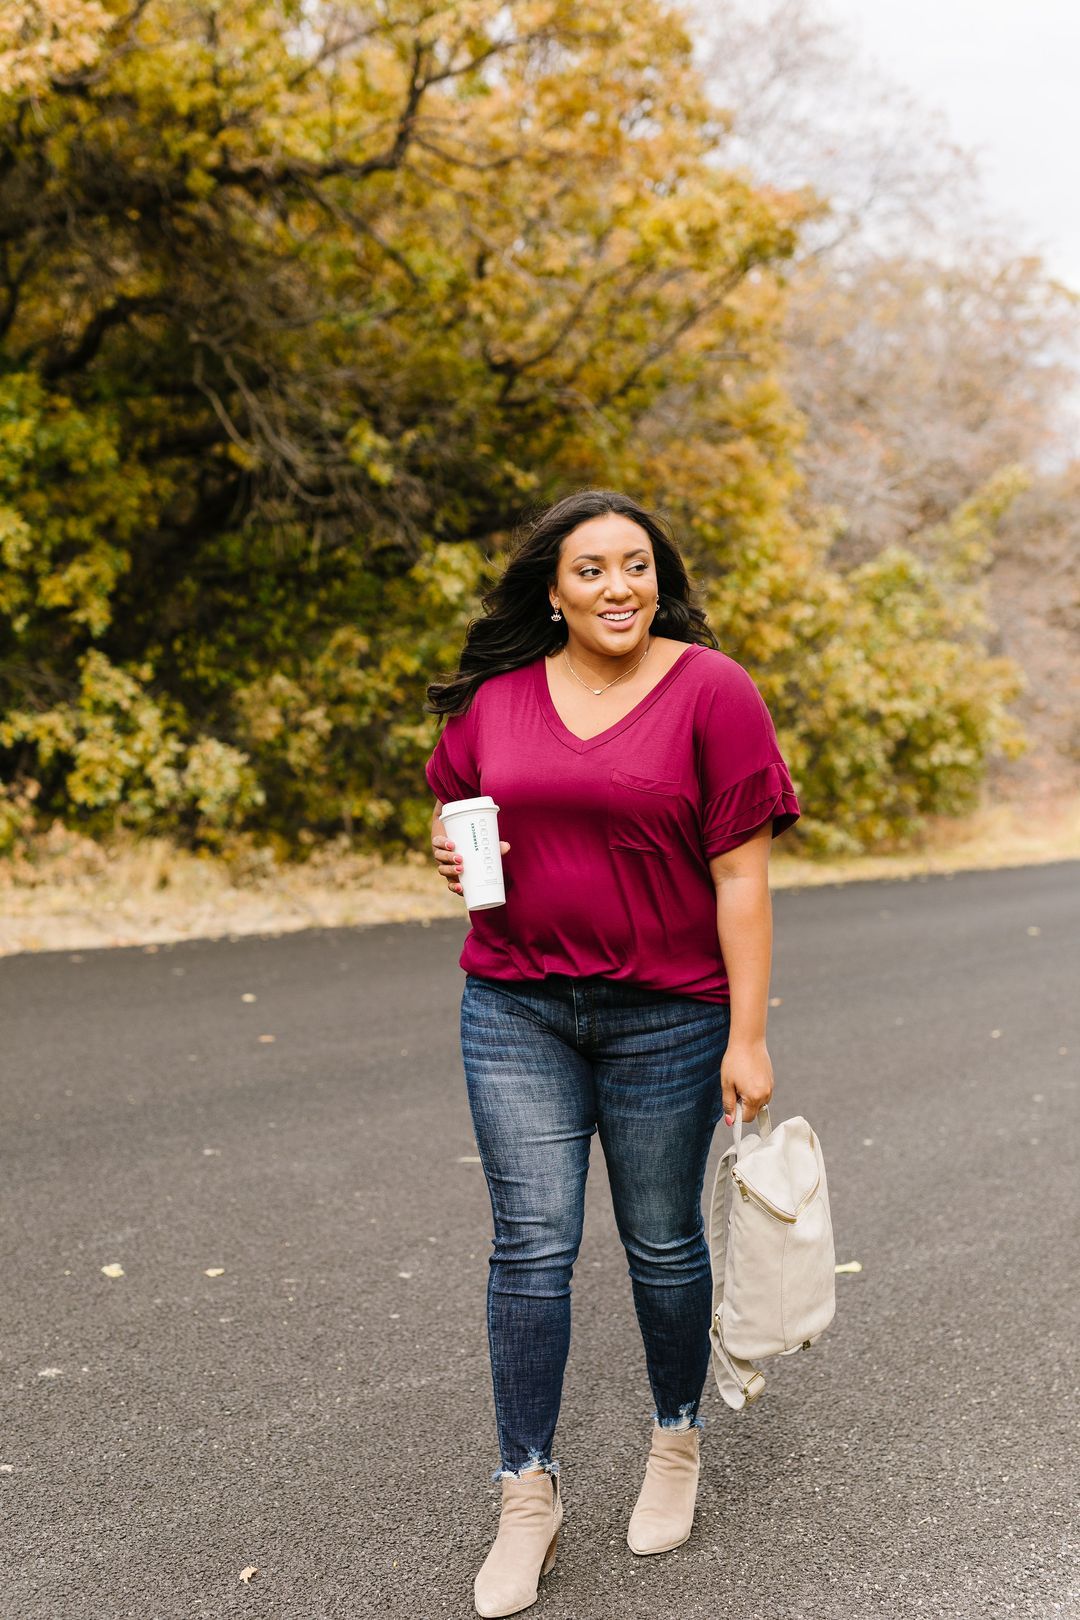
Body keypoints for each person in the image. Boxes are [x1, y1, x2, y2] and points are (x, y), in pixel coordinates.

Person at [423, 488, 801, 1619]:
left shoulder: (713, 690)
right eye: (590, 570)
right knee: (530, 1248)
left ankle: (674, 1443)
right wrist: (448, 853)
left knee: (662, 1243)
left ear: (659, 578)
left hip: (669, 1015)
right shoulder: (495, 700)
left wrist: (748, 1035)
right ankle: (525, 1498)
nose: (618, 587)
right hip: (516, 1006)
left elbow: (742, 877)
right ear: (553, 591)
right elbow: (457, 812)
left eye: (636, 564)